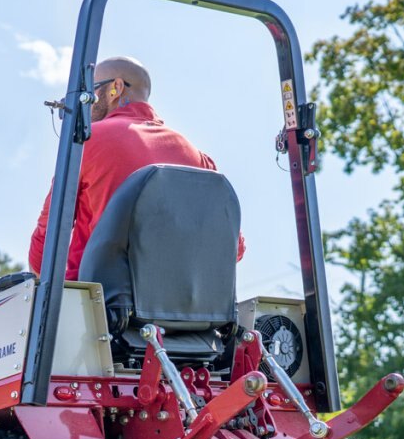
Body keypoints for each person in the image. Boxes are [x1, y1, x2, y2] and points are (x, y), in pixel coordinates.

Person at [28, 56, 244, 279]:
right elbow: (233, 249)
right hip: (181, 298)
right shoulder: (200, 160)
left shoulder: (86, 143)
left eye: (91, 92)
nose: (86, 104)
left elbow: (44, 250)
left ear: (116, 88)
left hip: (99, 296)